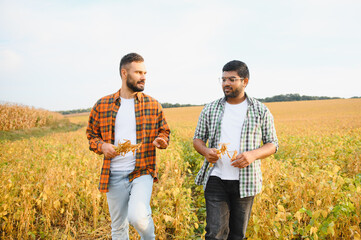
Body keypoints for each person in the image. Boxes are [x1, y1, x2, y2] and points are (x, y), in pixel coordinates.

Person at [86, 53, 170, 240]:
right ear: (124, 73)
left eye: (145, 72)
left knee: (138, 218)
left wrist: (162, 141)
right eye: (138, 72)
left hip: (141, 171)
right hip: (113, 174)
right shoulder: (102, 105)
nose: (143, 77)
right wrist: (102, 146)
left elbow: (164, 132)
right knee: (118, 227)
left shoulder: (153, 105)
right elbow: (91, 135)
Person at [193, 60, 278, 240]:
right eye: (223, 79)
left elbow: (272, 144)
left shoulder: (260, 110)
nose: (226, 84)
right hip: (216, 178)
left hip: (246, 181)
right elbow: (197, 139)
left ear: (245, 81)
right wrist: (206, 151)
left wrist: (252, 155)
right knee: (215, 234)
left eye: (232, 79)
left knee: (237, 235)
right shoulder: (210, 109)